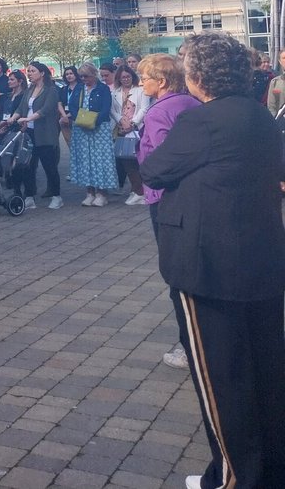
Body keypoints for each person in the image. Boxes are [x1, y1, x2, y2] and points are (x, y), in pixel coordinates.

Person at [141, 32, 285, 489]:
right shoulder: (260, 115)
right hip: (260, 259)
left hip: (208, 267)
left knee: (222, 379)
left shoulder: (204, 121)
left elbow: (154, 168)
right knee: (265, 370)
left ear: (198, 76)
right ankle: (269, 467)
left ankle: (233, 477)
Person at [135, 53, 201, 371]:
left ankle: (189, 346)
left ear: (160, 81)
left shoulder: (159, 111)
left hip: (163, 198)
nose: (140, 83)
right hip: (192, 196)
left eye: (144, 78)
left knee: (175, 271)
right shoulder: (191, 104)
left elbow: (163, 158)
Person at [1, 61, 63, 209]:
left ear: (42, 73)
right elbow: (21, 107)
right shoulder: (29, 90)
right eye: (28, 71)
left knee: (49, 166)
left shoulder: (51, 90)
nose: (29, 73)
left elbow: (46, 109)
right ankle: (29, 196)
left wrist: (29, 118)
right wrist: (13, 118)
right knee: (27, 165)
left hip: (45, 134)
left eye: (33, 71)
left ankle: (56, 196)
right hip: (29, 132)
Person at [69, 62, 119, 206]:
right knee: (86, 160)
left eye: (86, 76)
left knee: (100, 160)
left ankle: (102, 193)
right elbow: (72, 105)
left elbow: (106, 108)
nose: (84, 79)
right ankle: (89, 192)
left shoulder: (103, 89)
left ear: (93, 74)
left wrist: (93, 121)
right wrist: (79, 118)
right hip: (81, 129)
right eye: (81, 76)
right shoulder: (79, 88)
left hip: (99, 129)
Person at [111, 64, 149, 205]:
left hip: (137, 129)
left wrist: (132, 123)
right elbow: (113, 110)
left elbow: (144, 108)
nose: (125, 79)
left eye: (128, 76)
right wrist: (121, 121)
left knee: (138, 161)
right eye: (122, 77)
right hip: (121, 129)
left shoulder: (140, 91)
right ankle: (136, 190)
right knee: (126, 161)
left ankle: (142, 191)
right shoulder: (115, 92)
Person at [58, 65, 81, 149]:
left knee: (79, 144)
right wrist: (64, 116)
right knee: (70, 144)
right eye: (67, 74)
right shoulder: (64, 89)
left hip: (77, 118)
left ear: (76, 74)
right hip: (64, 120)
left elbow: (81, 104)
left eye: (71, 73)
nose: (69, 76)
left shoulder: (81, 87)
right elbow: (59, 103)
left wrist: (68, 116)